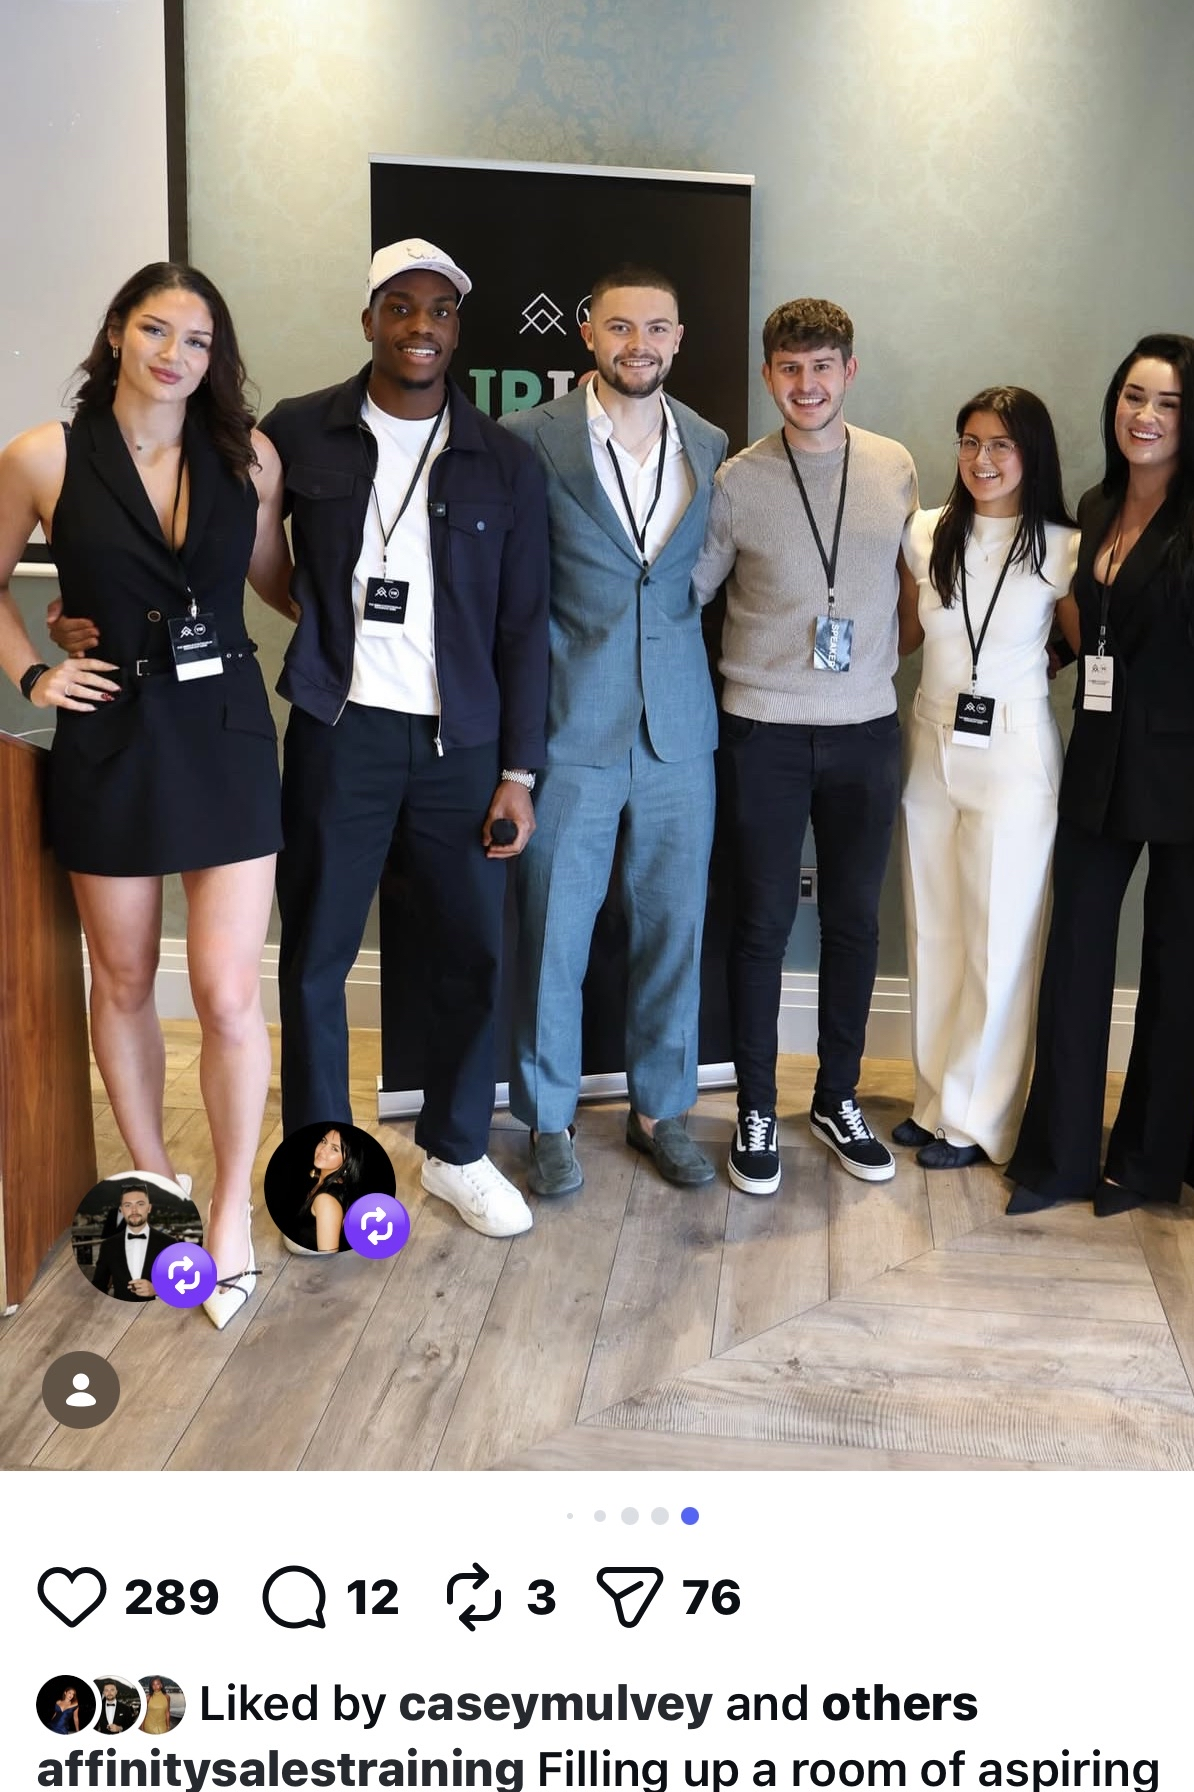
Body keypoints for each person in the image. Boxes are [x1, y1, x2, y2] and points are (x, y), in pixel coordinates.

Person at [0, 265, 288, 1329]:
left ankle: (228, 1214)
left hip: (224, 739)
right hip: (110, 736)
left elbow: (274, 580)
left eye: (198, 339)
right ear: (118, 332)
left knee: (223, 993)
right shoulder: (42, 455)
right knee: (120, 978)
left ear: (215, 357)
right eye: (156, 329)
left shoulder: (247, 456)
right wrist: (36, 671)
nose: (175, 353)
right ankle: (158, 1179)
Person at [259, 238, 550, 1241]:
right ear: (370, 318)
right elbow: (254, 550)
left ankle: (457, 1150)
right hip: (343, 737)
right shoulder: (299, 431)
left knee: (473, 953)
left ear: (456, 329)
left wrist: (519, 773)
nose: (420, 326)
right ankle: (323, 1165)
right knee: (317, 958)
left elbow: (524, 630)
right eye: (400, 307)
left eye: (439, 311)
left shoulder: (503, 459)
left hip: (461, 749)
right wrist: (326, 630)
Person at [1006, 333, 1194, 1215]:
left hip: (1193, 783)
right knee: (1075, 954)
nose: (1145, 416)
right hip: (1098, 761)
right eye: (1133, 396)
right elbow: (1092, 631)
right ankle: (1061, 1156)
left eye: (1165, 402)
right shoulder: (1094, 501)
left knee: (1174, 962)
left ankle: (1150, 1163)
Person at [503, 271, 728, 1195]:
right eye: (621, 325)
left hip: (680, 729)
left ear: (678, 340)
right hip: (569, 728)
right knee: (552, 932)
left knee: (674, 931)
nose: (640, 342)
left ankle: (659, 1112)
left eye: (659, 328)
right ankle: (548, 1120)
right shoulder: (529, 440)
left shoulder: (712, 445)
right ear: (589, 333)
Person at [692, 298, 917, 1196]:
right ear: (767, 375)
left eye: (823, 366)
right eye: (790, 367)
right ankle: (755, 1104)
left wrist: (878, 665)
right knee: (762, 924)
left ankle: (836, 1095)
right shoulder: (739, 481)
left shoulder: (895, 467)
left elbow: (913, 581)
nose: (807, 384)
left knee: (856, 921)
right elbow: (694, 595)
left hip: (866, 728)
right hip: (761, 732)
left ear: (849, 371)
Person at [896, 387, 1078, 1169]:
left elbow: (1084, 647)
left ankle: (977, 1120)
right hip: (929, 741)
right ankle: (934, 1099)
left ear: (1031, 455)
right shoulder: (925, 532)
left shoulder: (1062, 547)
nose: (983, 460)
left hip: (1012, 752)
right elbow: (904, 636)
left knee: (1000, 939)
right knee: (934, 927)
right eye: (970, 442)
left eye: (1001, 445)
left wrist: (1026, 672)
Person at [86, 1181, 194, 1298]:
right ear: (121, 1210)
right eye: (128, 1205)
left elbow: (185, 1284)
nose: (134, 1210)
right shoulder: (108, 1246)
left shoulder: (169, 1244)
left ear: (149, 1208)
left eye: (140, 1204)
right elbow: (98, 1287)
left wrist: (157, 1289)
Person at [279, 1124, 366, 1255]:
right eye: (324, 1141)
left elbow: (327, 1259)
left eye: (334, 1149)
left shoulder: (326, 1201)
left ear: (347, 1161)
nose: (322, 1150)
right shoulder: (321, 1179)